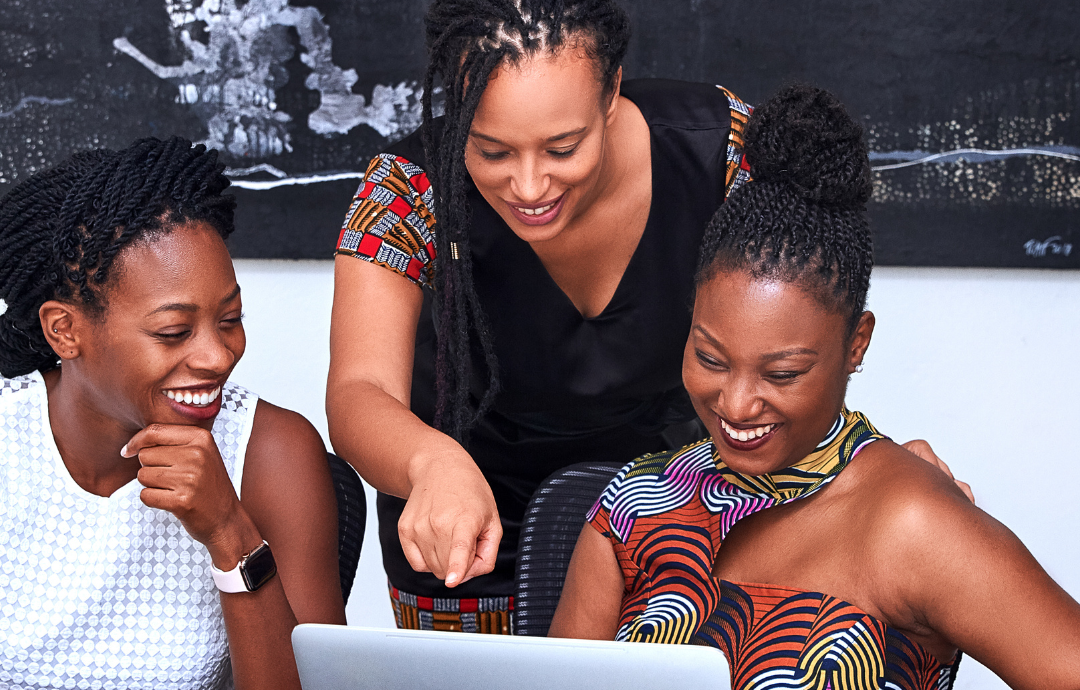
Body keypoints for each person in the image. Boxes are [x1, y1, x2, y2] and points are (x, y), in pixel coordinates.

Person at [327, 0, 964, 632]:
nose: (528, 186)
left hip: (673, 524)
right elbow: (359, 392)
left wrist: (867, 470)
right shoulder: (407, 190)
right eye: (490, 151)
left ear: (611, 93)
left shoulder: (723, 156)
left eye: (563, 147)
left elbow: (805, 331)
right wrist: (428, 464)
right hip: (466, 534)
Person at [548, 85, 1080, 688]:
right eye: (710, 358)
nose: (737, 403)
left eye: (782, 373)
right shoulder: (634, 506)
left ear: (856, 345)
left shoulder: (911, 522)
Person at [0, 137, 345, 690]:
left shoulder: (269, 451)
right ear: (64, 330)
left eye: (230, 318)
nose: (217, 357)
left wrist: (230, 534)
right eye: (173, 332)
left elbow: (318, 685)